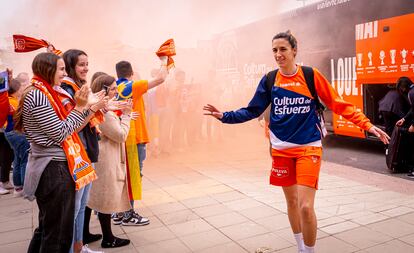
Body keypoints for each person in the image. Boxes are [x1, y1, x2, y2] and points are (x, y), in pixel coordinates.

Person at [203, 31, 389, 253]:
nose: (278, 54)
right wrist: (225, 116)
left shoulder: (310, 75)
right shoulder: (270, 80)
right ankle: (301, 248)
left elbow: (338, 104)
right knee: (291, 203)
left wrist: (367, 125)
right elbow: (252, 110)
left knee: (306, 206)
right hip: (280, 150)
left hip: (308, 147)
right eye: (274, 50)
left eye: (283, 49)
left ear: (294, 50)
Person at [14, 52, 92, 253]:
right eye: (61, 69)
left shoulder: (43, 91)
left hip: (52, 165)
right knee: (57, 235)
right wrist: (81, 108)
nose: (64, 74)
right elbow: (61, 132)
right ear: (48, 70)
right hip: (53, 169)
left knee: (49, 227)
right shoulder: (38, 95)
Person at [112, 57, 168, 226]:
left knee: (125, 175)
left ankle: (119, 212)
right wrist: (164, 61)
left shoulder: (117, 87)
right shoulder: (130, 86)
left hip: (125, 136)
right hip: (134, 139)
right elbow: (160, 78)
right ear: (131, 73)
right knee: (134, 175)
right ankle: (128, 214)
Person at [61, 49, 106, 253]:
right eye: (81, 64)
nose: (85, 68)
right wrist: (93, 109)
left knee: (81, 205)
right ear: (70, 66)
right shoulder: (67, 89)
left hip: (86, 151)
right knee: (75, 206)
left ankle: (79, 246)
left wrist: (100, 105)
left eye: (87, 63)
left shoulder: (79, 87)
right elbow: (73, 126)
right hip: (76, 154)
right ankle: (72, 248)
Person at [88, 74, 136, 248]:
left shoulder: (99, 108)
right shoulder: (105, 114)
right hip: (106, 160)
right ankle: (108, 238)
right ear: (104, 90)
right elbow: (121, 135)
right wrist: (127, 115)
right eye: (114, 88)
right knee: (105, 198)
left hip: (102, 158)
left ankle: (84, 233)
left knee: (92, 198)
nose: (117, 91)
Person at [4, 78, 30, 196]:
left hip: (9, 133)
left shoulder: (8, 100)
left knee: (17, 159)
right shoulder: (14, 102)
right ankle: (26, 187)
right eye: (21, 88)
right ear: (16, 90)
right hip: (16, 133)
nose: (22, 90)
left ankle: (18, 187)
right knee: (25, 158)